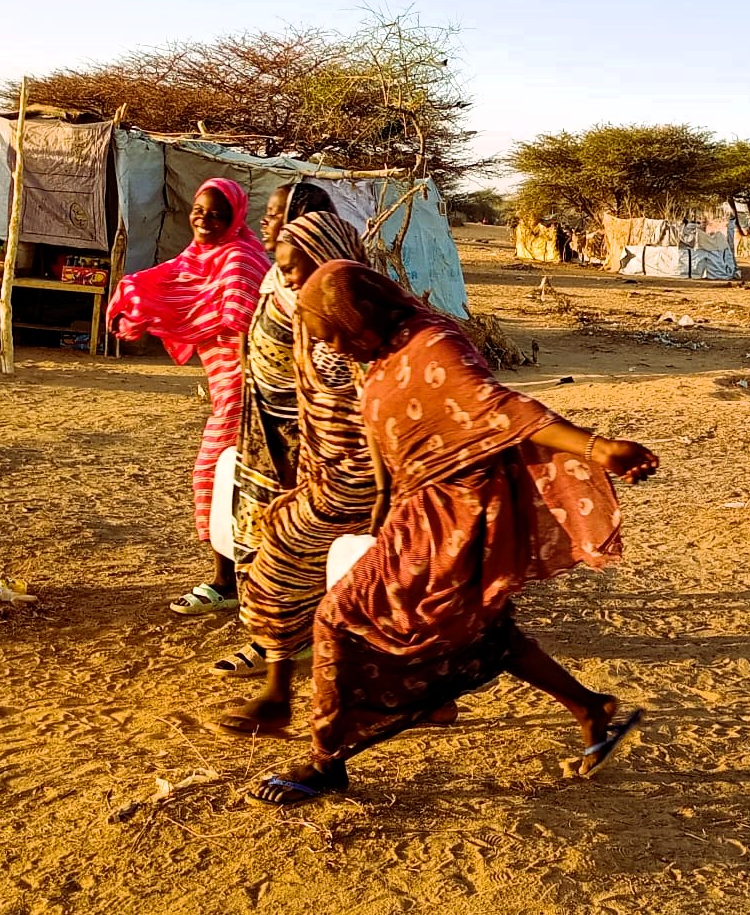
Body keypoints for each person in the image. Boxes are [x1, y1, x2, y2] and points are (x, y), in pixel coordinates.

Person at [246, 260, 659, 806]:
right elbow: (387, 436)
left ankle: (327, 762)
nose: (337, 349)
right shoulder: (384, 351)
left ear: (361, 313)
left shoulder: (432, 343)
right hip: (417, 511)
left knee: (339, 618)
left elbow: (499, 407)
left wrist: (597, 447)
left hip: (458, 516)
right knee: (481, 628)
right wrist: (383, 505)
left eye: (338, 334)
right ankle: (589, 707)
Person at [215, 208, 375, 699]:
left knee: (286, 557)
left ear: (327, 258)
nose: (282, 278)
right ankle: (283, 673)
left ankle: (280, 683)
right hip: (319, 463)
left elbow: (379, 405)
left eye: (292, 268)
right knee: (290, 556)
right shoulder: (315, 312)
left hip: (359, 474)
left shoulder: (364, 322)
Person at [106, 178, 271, 613]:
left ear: (234, 218)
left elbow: (244, 324)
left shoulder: (239, 259)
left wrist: (253, 395)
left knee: (213, 475)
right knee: (239, 482)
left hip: (247, 386)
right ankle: (246, 579)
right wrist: (133, 308)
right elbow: (165, 283)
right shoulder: (199, 257)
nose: (205, 220)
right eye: (199, 211)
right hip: (227, 388)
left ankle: (225, 582)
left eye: (216, 215)